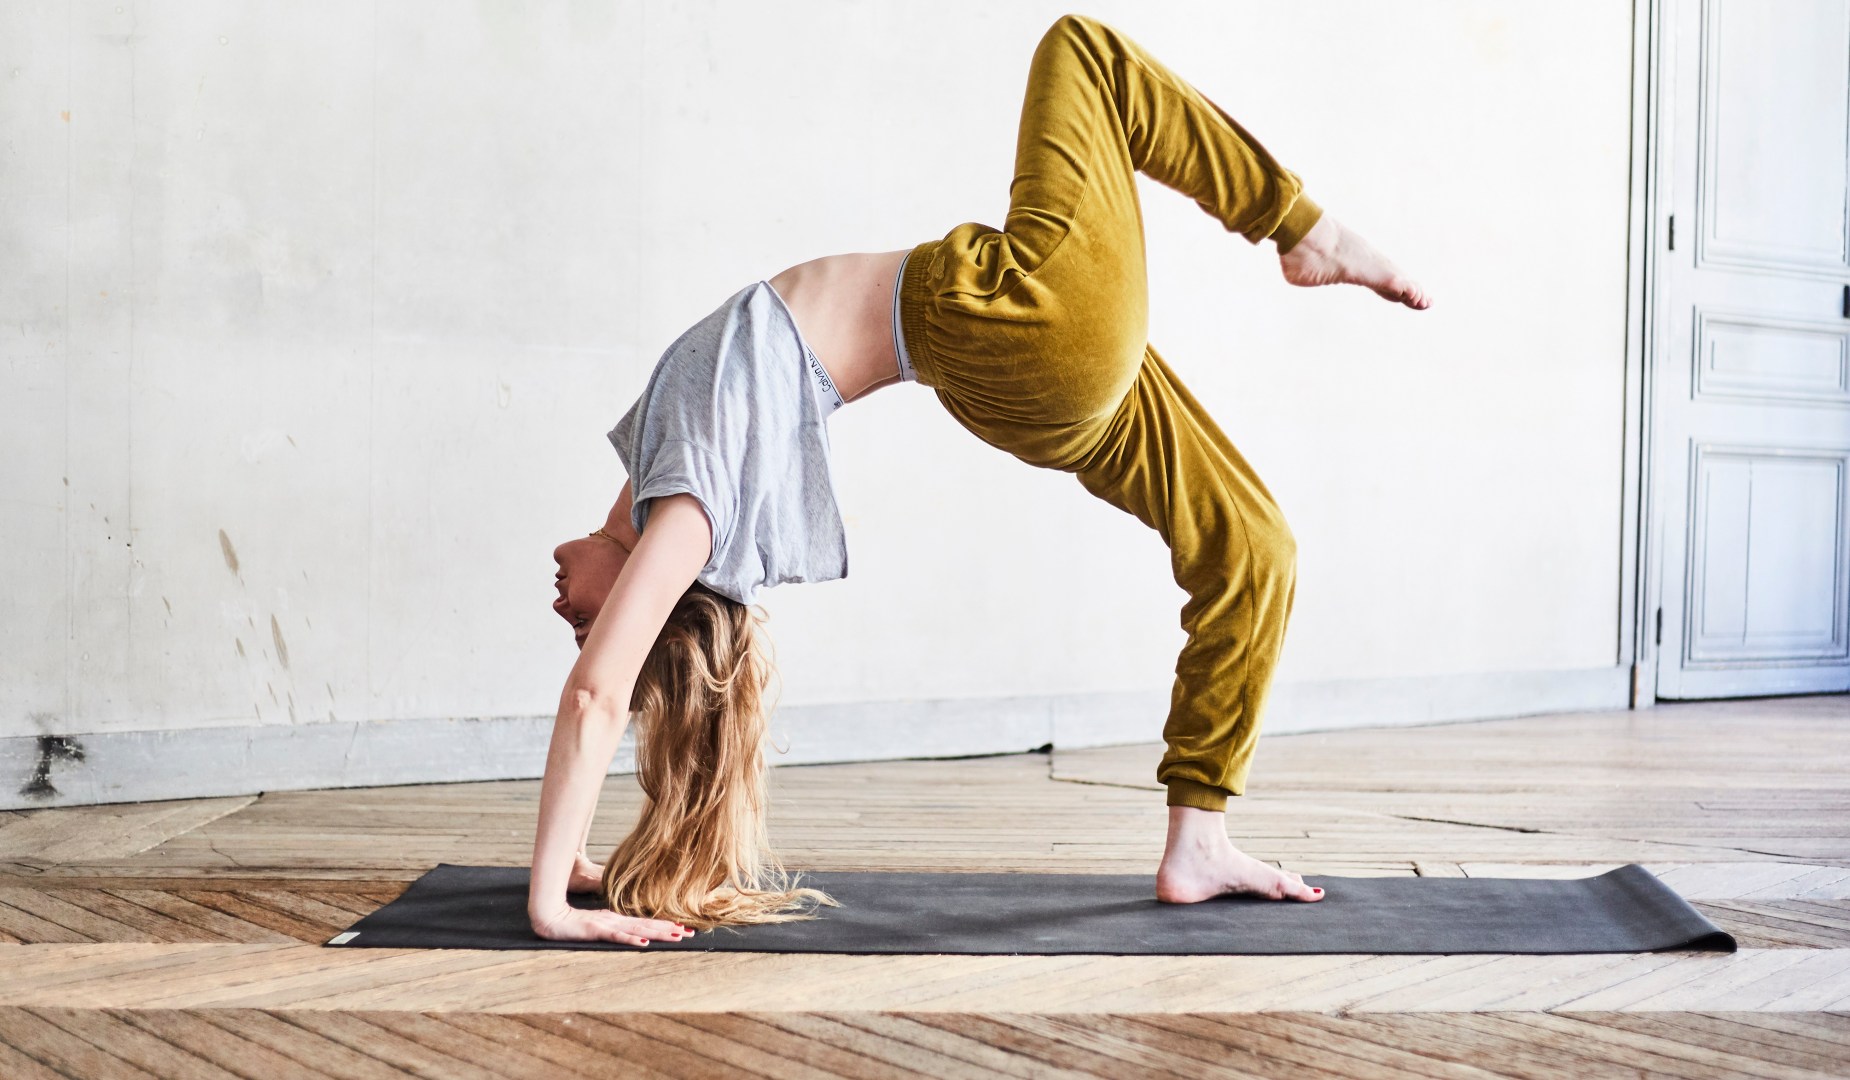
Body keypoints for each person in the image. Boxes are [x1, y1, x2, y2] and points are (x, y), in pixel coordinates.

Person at [528, 13, 1431, 945]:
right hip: (1005, 322)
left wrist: (578, 860)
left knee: (1252, 544)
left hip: (1015, 383)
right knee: (1084, 52)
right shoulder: (692, 505)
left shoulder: (662, 469)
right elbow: (596, 695)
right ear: (654, 597)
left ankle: (1199, 839)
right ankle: (1305, 229)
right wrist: (550, 906)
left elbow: (610, 669)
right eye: (593, 626)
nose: (570, 615)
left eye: (582, 626)